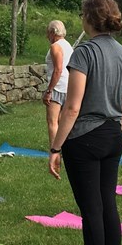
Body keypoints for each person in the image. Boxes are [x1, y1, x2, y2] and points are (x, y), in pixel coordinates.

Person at [48, 0, 122, 245]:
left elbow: (72, 107)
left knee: (92, 210)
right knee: (108, 204)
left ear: (87, 18)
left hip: (85, 137)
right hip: (113, 134)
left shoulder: (84, 52)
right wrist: (115, 131)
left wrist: (56, 147)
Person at [42, 20, 75, 150]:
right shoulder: (68, 45)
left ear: (52, 32)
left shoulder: (55, 46)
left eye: (48, 33)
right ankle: (65, 146)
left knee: (52, 121)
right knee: (63, 121)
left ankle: (54, 149)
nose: (47, 37)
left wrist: (49, 90)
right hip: (68, 86)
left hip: (57, 87)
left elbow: (58, 69)